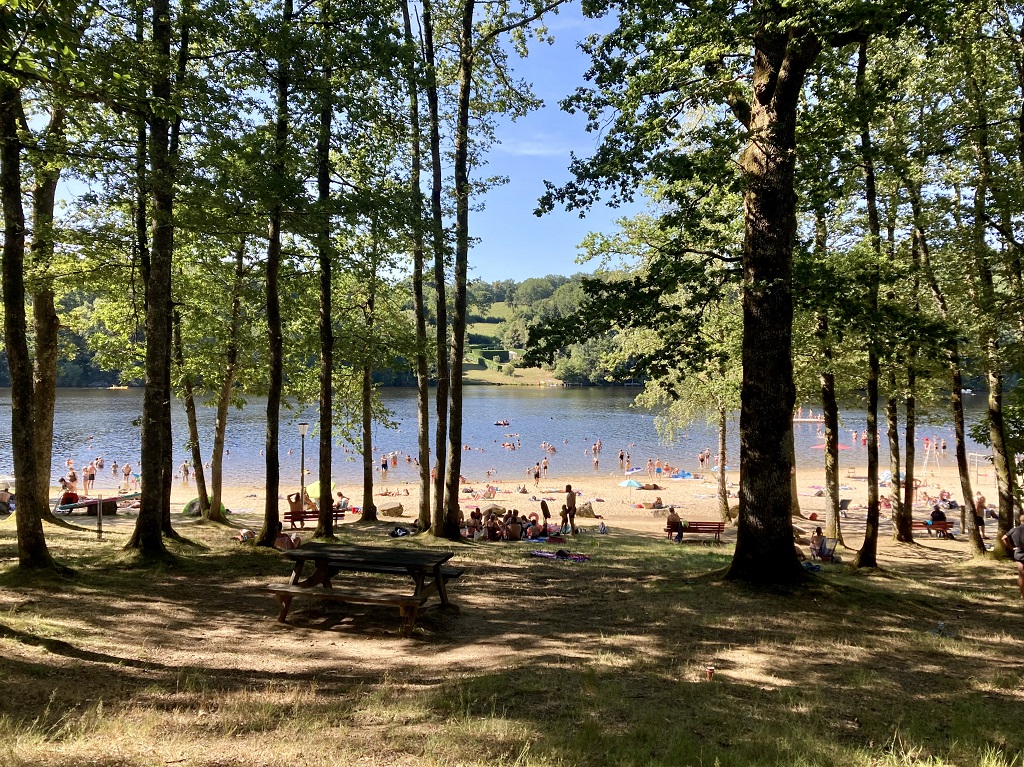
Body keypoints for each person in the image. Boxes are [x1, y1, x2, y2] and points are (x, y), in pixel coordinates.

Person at [1001, 518, 1024, 599]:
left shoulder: (1014, 530)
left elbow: (1003, 538)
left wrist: (1011, 547)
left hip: (1019, 553)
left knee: (1021, 575)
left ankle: (1022, 595)